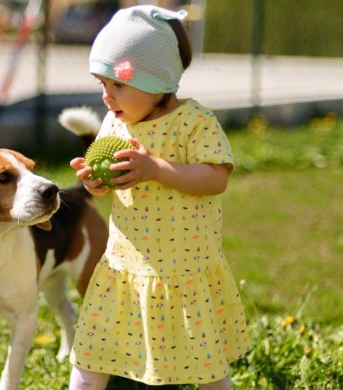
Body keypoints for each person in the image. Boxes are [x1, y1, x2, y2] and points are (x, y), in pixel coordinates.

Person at [68, 6, 250, 390]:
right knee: (89, 358)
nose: (106, 96)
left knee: (207, 367)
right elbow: (112, 180)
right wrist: (94, 184)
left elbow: (216, 177)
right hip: (124, 267)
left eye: (117, 85)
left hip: (184, 268)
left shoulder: (195, 122)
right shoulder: (116, 122)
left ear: (159, 80)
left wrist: (157, 169)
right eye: (101, 84)